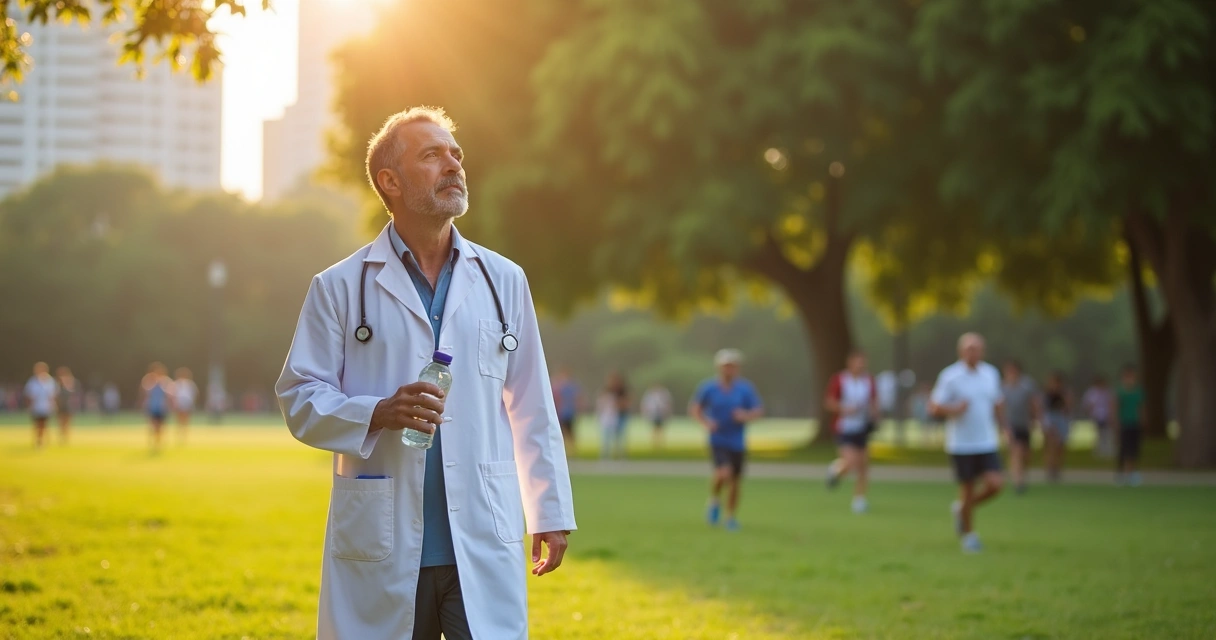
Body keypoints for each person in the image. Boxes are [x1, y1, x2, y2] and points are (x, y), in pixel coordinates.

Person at [275, 106, 576, 640]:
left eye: (455, 153)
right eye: (432, 155)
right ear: (389, 181)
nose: (453, 164)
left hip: (480, 538)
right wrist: (377, 412)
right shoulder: (340, 287)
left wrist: (549, 508)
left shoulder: (504, 279)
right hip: (383, 541)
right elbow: (299, 395)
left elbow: (532, 405)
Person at [929, 333, 1005, 554]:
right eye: (969, 348)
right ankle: (969, 536)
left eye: (977, 348)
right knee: (967, 488)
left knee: (996, 484)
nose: (974, 352)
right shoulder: (951, 377)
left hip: (986, 441)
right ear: (961, 351)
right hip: (961, 444)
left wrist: (1004, 427)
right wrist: (954, 410)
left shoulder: (991, 374)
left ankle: (962, 509)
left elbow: (998, 402)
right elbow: (934, 407)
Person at [691, 348, 764, 531]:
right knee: (724, 473)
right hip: (718, 438)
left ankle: (730, 517)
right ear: (719, 367)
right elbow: (695, 409)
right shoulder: (708, 387)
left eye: (732, 366)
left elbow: (758, 411)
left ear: (737, 368)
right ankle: (715, 500)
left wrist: (744, 416)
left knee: (735, 482)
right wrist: (707, 423)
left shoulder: (745, 389)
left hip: (737, 441)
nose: (728, 370)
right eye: (725, 366)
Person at [824, 349, 879, 513]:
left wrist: (875, 414)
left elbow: (874, 401)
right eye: (857, 361)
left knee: (863, 465)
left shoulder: (868, 381)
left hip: (862, 427)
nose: (860, 365)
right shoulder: (840, 380)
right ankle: (835, 470)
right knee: (850, 462)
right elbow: (829, 402)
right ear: (850, 362)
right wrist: (845, 409)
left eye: (863, 362)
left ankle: (859, 499)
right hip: (845, 427)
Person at [1001, 360, 1040, 494]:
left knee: (1026, 454)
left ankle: (1021, 475)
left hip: (1025, 423)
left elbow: (1034, 403)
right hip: (1011, 424)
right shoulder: (1003, 387)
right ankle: (1018, 482)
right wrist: (1002, 425)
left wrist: (1035, 419)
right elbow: (1000, 407)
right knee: (1015, 451)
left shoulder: (1027, 385)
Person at [1114, 365, 1145, 486]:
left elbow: (1141, 408)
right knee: (1123, 448)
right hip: (1124, 422)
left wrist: (1142, 421)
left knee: (1134, 448)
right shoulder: (1120, 392)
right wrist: (1116, 422)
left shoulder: (1138, 391)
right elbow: (1115, 407)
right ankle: (1121, 472)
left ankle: (1132, 472)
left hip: (1134, 422)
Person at [1041, 372, 1073, 482]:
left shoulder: (1064, 393)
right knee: (1051, 445)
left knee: (1060, 446)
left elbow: (1068, 407)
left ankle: (1057, 470)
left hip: (1061, 419)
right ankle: (1050, 470)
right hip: (1051, 419)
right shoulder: (1046, 394)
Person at [141, 363, 174, 453]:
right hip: (152, 407)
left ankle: (159, 442)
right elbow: (146, 392)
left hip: (162, 408)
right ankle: (153, 442)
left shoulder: (166, 381)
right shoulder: (149, 380)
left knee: (160, 426)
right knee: (153, 425)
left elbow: (170, 394)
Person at [23, 362, 57, 449]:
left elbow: (52, 395)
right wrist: (29, 406)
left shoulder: (50, 381)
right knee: (37, 425)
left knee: (44, 424)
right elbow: (28, 395)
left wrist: (53, 404)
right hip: (36, 407)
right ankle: (38, 440)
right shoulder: (32, 381)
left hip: (46, 407)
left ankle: (41, 440)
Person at [597, 372, 630, 459]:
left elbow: (626, 403)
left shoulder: (622, 391)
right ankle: (606, 455)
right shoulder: (606, 391)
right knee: (606, 437)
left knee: (620, 437)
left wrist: (618, 404)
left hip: (620, 416)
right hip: (609, 417)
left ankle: (621, 455)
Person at [1082, 375, 1115, 459]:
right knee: (1097, 434)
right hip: (1096, 416)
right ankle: (1098, 451)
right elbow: (1088, 404)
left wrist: (1111, 415)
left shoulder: (1107, 392)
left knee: (1106, 433)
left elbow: (1111, 404)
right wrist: (1090, 413)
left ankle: (1107, 451)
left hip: (1106, 415)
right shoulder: (1092, 392)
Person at [551, 367, 581, 453]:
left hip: (569, 413)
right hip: (561, 413)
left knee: (570, 432)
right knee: (561, 432)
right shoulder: (558, 387)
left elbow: (576, 399)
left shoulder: (571, 387)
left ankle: (572, 450)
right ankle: (563, 450)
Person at [640, 383, 673, 450]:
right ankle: (655, 443)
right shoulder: (650, 394)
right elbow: (645, 404)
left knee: (661, 428)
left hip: (661, 413)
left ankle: (661, 442)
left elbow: (668, 403)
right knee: (654, 428)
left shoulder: (663, 394)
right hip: (653, 413)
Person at [173, 368, 199, 443]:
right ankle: (179, 435)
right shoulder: (176, 383)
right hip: (179, 404)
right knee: (179, 420)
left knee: (185, 420)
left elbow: (193, 394)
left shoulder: (190, 384)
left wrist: (191, 403)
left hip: (187, 404)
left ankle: (184, 435)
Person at [54, 366, 78, 445]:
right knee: (61, 423)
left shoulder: (70, 382)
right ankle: (62, 437)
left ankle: (65, 437)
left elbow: (73, 393)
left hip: (68, 406)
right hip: (61, 406)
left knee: (67, 423)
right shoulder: (57, 384)